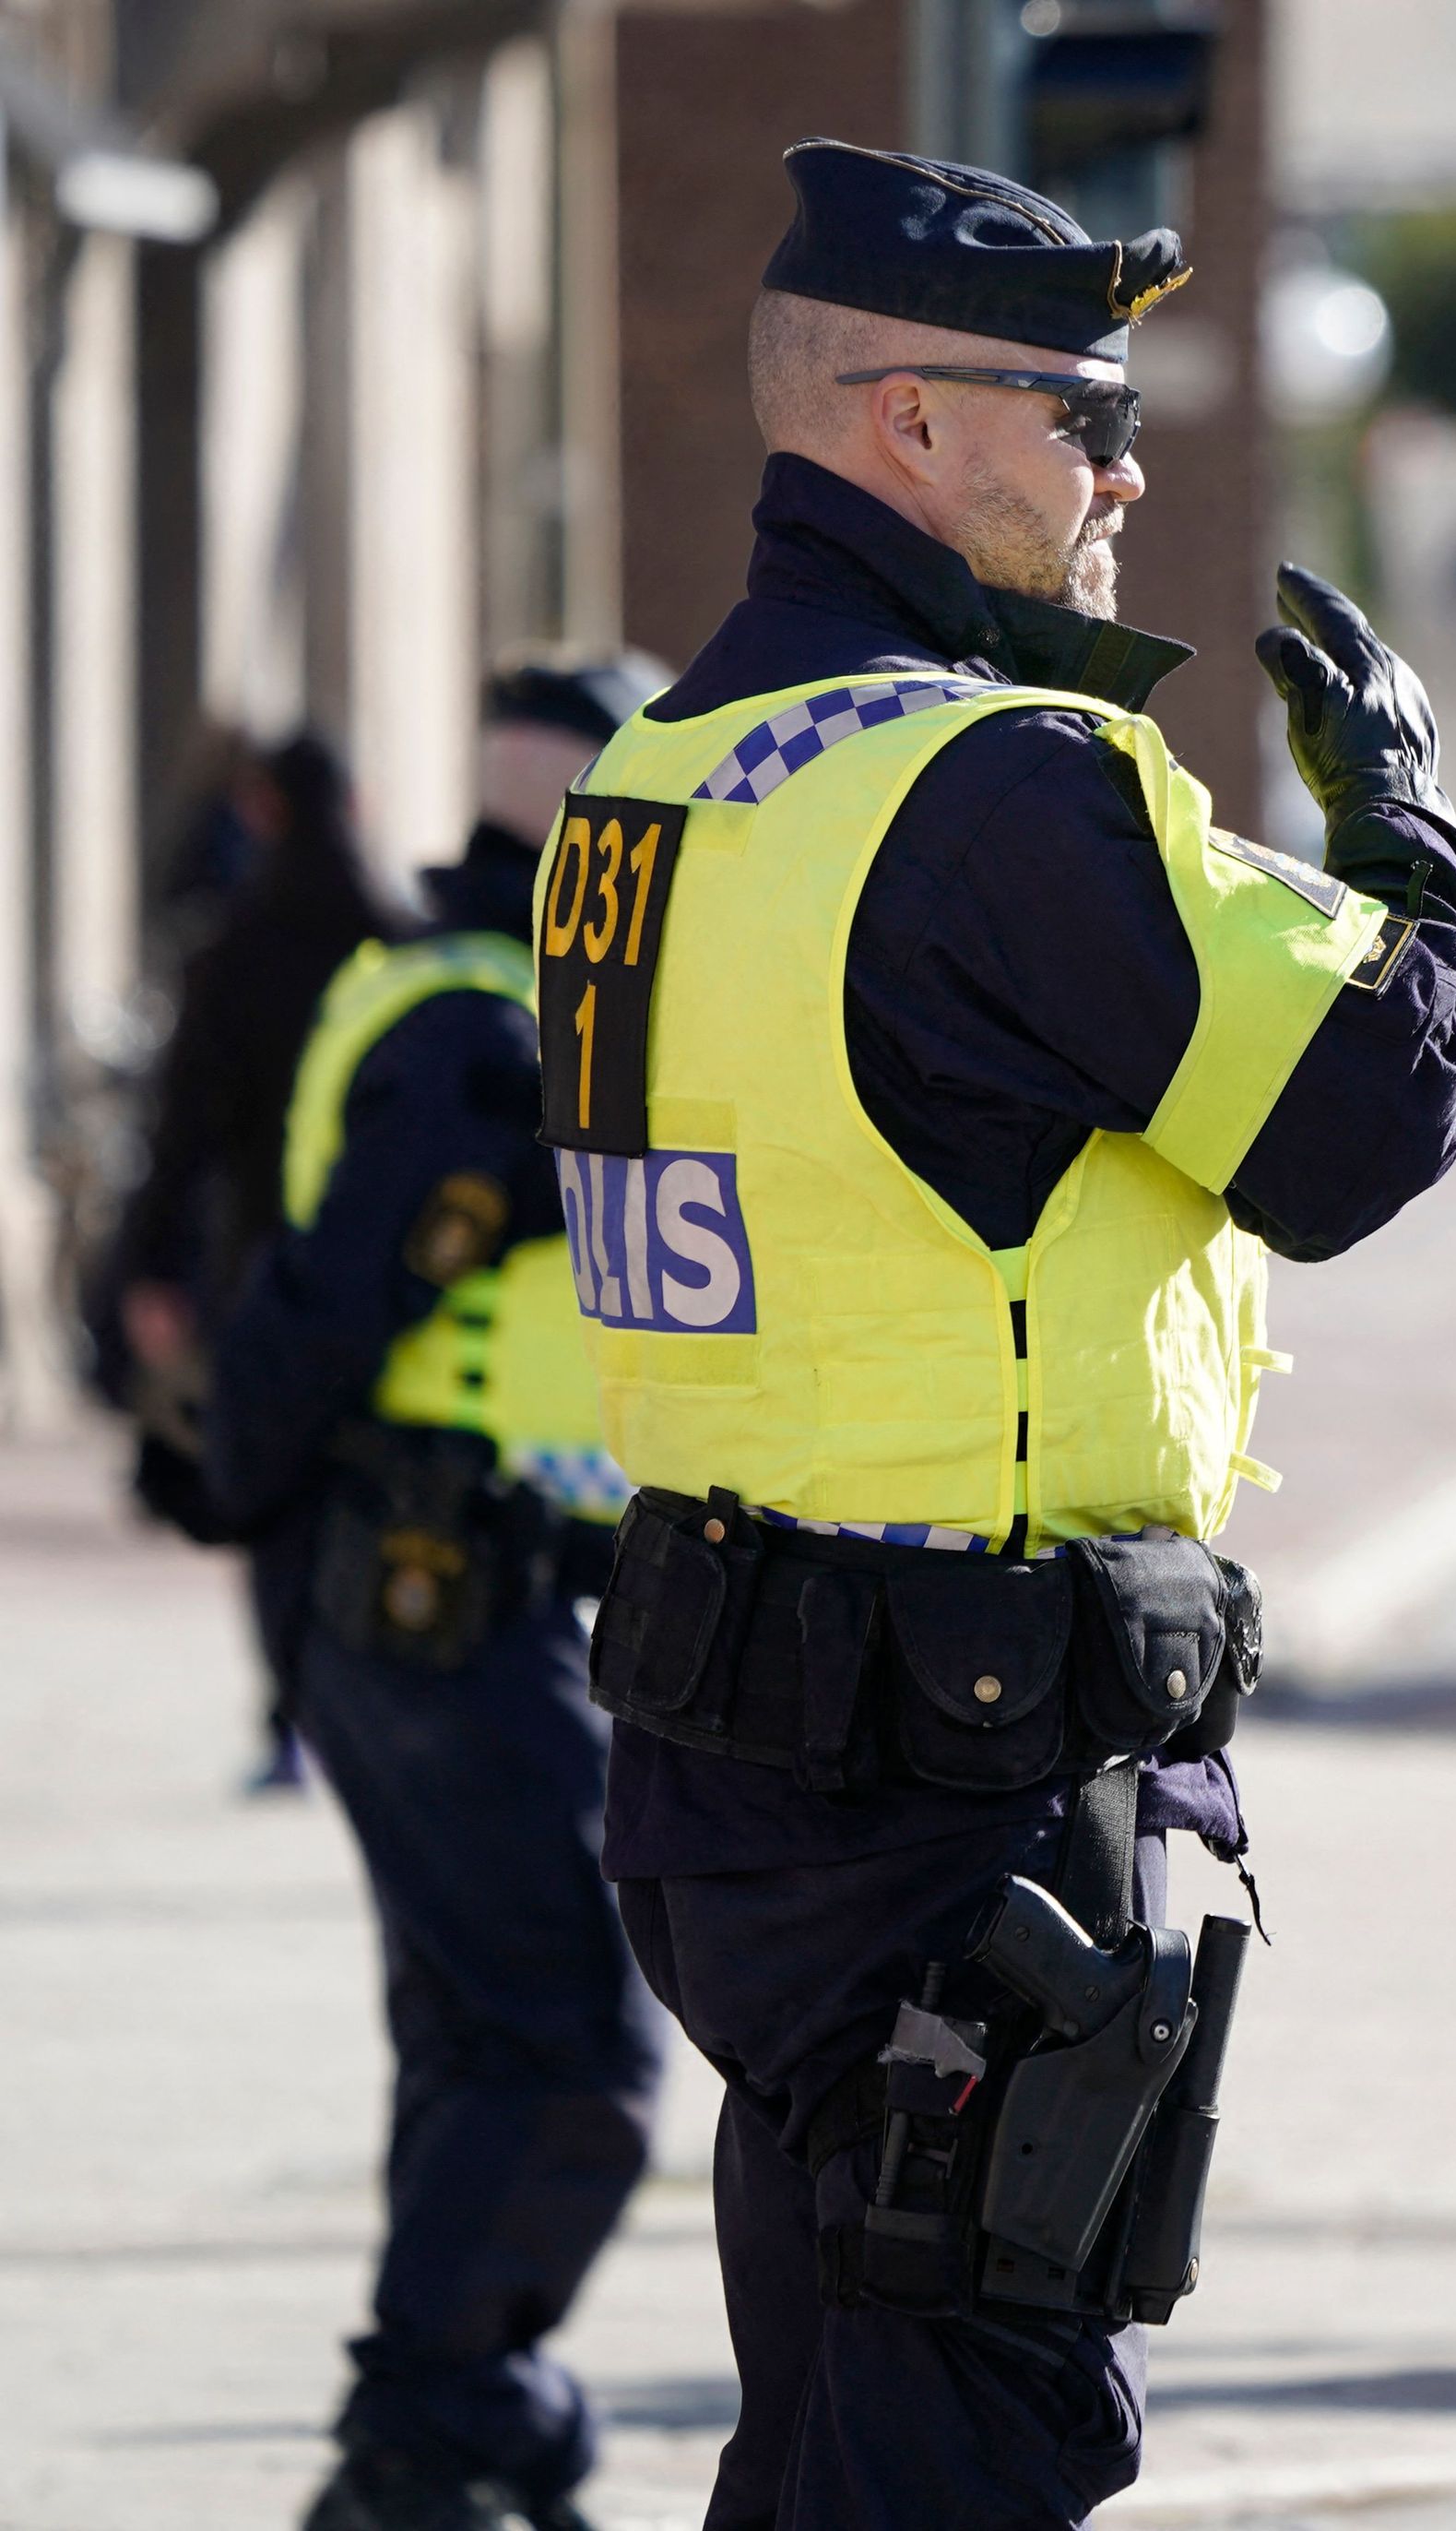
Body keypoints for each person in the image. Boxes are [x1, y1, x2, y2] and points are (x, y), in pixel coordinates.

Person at [564, 141, 1456, 2528]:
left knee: (830, 2438)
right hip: (951, 1789)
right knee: (966, 2454)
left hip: (726, 1766)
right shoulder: (989, 793)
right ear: (902, 424)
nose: (1129, 464)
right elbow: (1356, 1116)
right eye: (1080, 413)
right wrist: (1408, 841)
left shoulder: (651, 786)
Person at [207, 663, 674, 2531]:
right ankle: (435, 2416)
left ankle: (463, 2422)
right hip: (433, 1590)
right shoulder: (485, 1023)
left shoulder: (494, 996)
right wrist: (245, 1496)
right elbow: (329, 1302)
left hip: (449, 1592)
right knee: (570, 2039)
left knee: (479, 2033)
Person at [96, 731, 398, 1782]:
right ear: (354, 803)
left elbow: (179, 1133)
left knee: (273, 1490)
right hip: (375, 1266)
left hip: (256, 1263)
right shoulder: (391, 942)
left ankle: (286, 1711)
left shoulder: (233, 947)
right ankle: (352, 1693)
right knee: (364, 1480)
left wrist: (147, 1271)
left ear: (265, 810)